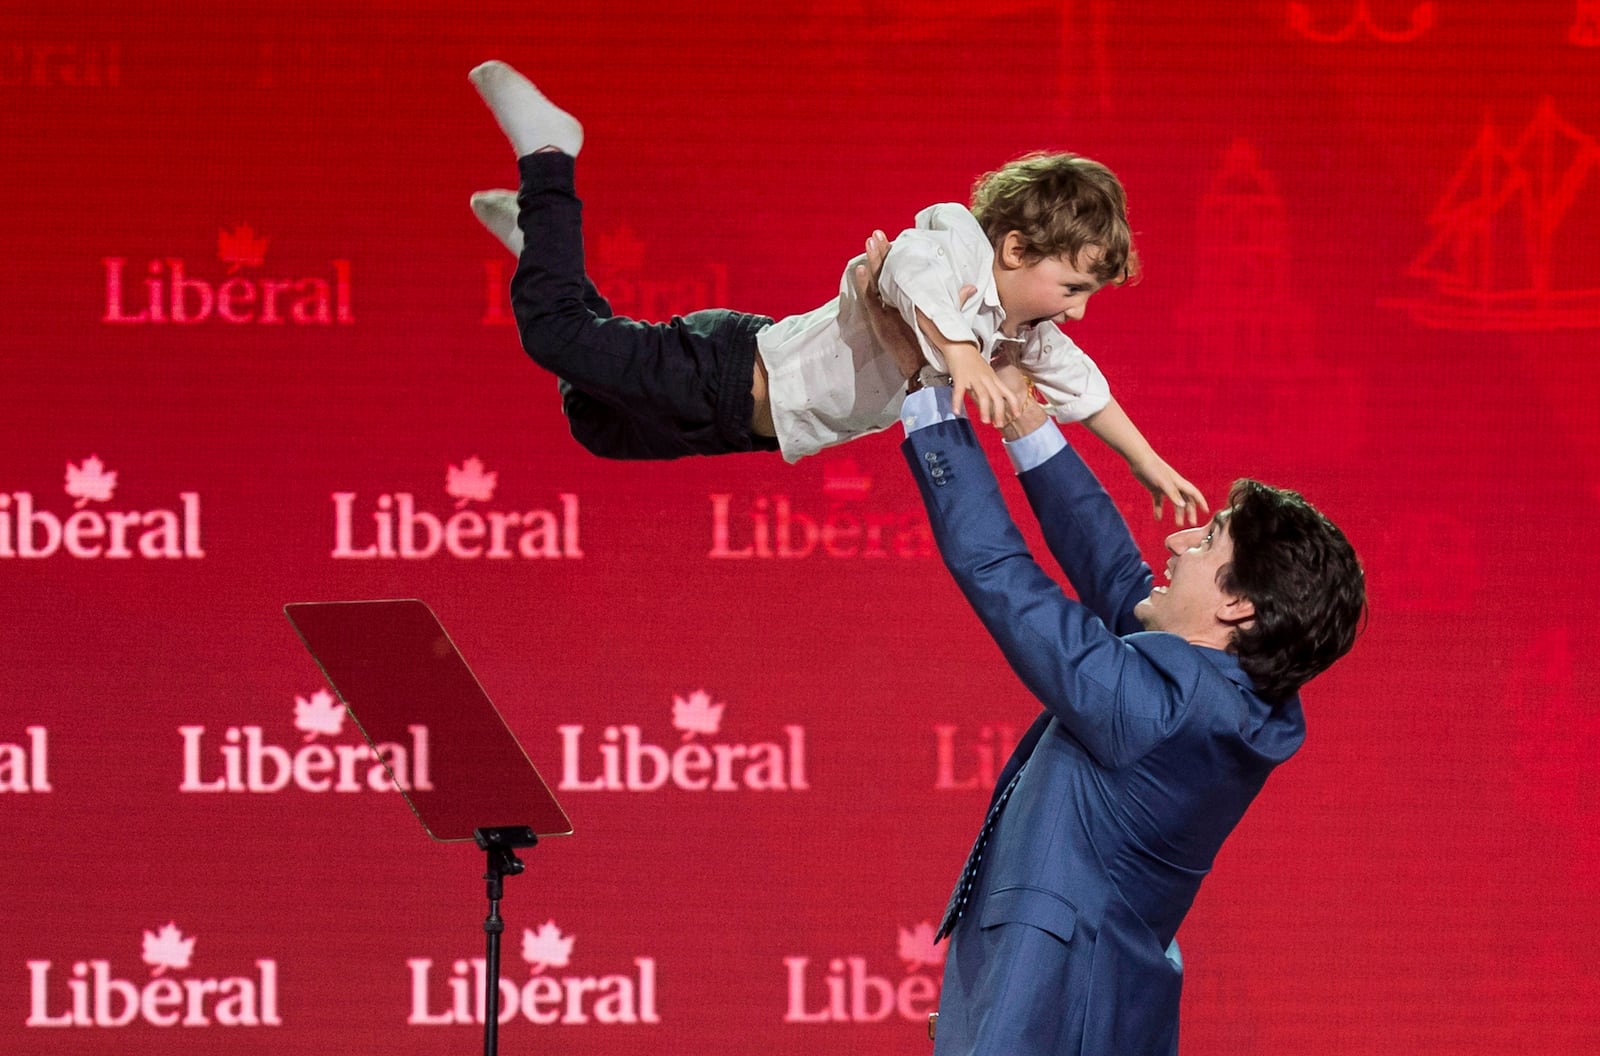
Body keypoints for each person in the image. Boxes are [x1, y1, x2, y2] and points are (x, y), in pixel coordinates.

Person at [852, 240, 1366, 1054]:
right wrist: (1027, 427)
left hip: (1051, 1012)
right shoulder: (1223, 694)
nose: (1178, 542)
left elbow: (1002, 577)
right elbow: (1117, 575)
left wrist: (928, 396)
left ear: (1238, 605)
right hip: (1079, 1005)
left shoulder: (1163, 709)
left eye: (1209, 543)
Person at [467, 59, 1206, 523]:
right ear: (1015, 248)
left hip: (747, 427)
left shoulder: (1013, 329)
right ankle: (549, 153)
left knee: (596, 426)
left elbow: (1084, 388)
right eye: (1071, 286)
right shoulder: (956, 247)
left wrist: (1147, 463)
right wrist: (960, 356)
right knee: (555, 336)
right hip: (726, 369)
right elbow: (901, 269)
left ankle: (545, 251)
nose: (1075, 310)